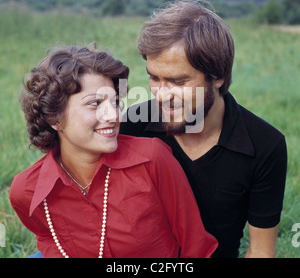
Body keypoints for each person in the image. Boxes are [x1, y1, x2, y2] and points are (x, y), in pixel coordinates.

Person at [9, 45, 217, 258]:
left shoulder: (152, 159)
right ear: (54, 118)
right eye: (95, 103)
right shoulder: (27, 191)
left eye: (115, 102)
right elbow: (47, 238)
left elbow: (196, 247)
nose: (113, 115)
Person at [120, 0, 288, 258]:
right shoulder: (134, 124)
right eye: (154, 78)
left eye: (178, 81)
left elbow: (262, 251)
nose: (162, 95)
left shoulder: (265, 145)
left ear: (218, 76)